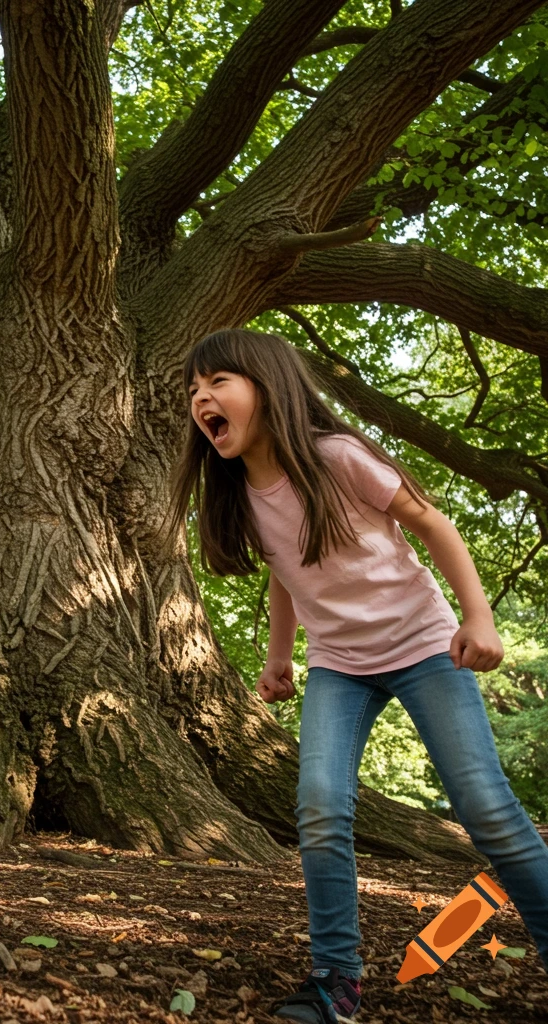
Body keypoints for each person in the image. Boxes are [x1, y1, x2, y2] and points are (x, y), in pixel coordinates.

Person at [158, 327, 548, 1024]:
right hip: (339, 666)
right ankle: (337, 981)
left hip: (426, 647)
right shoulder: (241, 494)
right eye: (193, 389)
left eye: (217, 381)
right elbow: (287, 574)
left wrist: (477, 617)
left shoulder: (339, 458)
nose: (201, 398)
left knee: (486, 810)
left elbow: (434, 525)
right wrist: (280, 657)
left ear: (268, 386)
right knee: (319, 805)